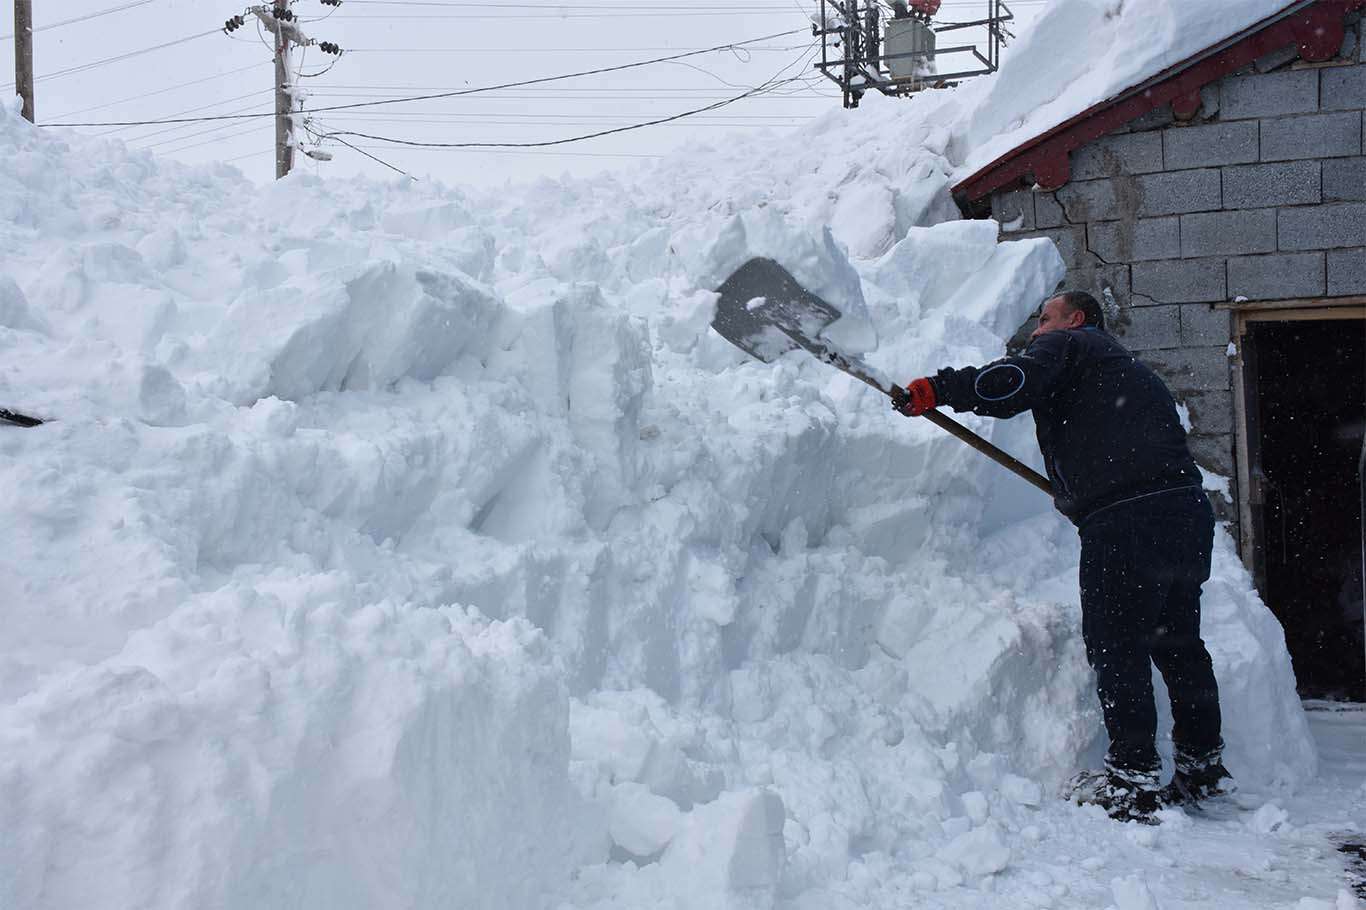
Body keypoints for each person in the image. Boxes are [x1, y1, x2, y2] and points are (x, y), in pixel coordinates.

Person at [892, 291, 1233, 821]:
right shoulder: (1129, 372)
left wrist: (939, 388)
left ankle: (1132, 777)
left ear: (1075, 319)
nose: (1036, 332)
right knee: (1178, 642)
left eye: (1044, 319)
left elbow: (1009, 384)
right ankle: (1202, 765)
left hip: (1126, 520)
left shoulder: (1071, 345)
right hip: (1182, 514)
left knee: (1117, 644)